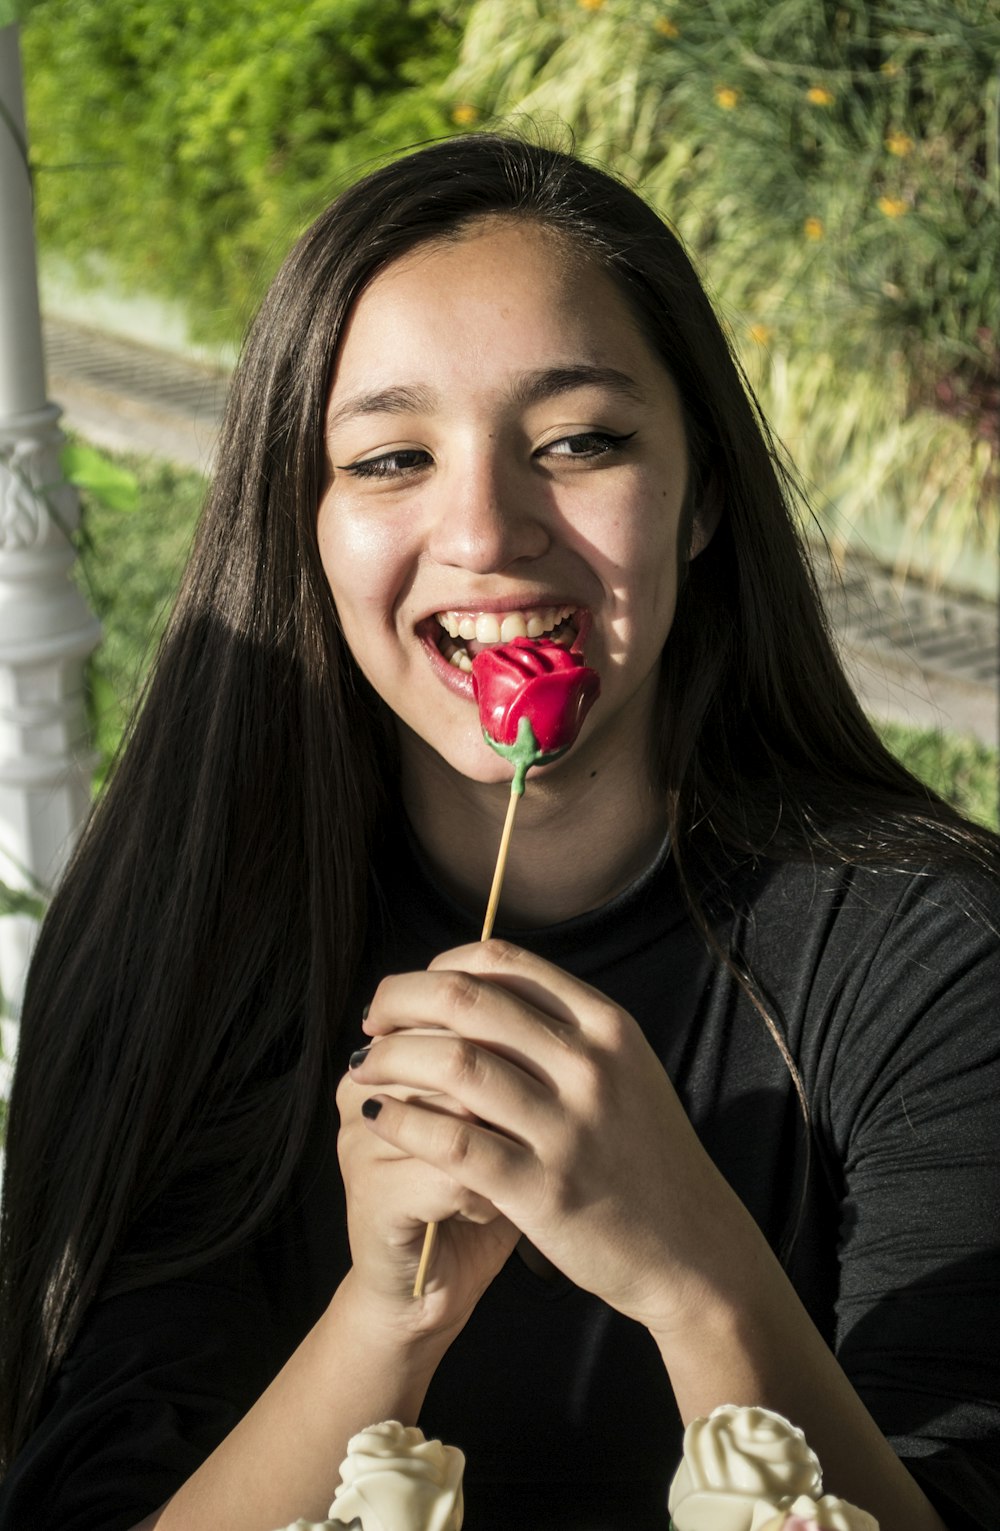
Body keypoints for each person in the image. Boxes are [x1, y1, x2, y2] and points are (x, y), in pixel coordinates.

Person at [0, 134, 997, 1531]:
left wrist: (696, 1271)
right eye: (391, 456)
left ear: (704, 493)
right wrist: (384, 1319)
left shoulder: (940, 958)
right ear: (307, 527)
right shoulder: (179, 944)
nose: (484, 530)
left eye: (579, 441)